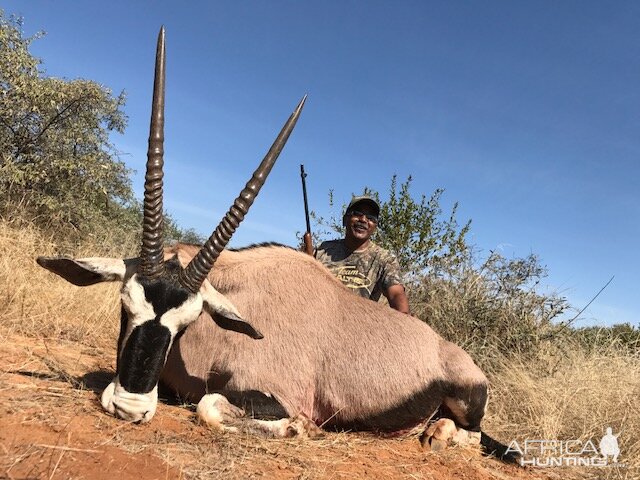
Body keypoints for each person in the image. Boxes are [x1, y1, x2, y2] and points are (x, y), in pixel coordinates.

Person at [315, 195, 410, 314]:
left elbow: (396, 293)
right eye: (357, 214)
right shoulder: (322, 249)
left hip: (360, 324)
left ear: (375, 226)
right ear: (345, 219)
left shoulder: (385, 259)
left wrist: (405, 318)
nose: (363, 220)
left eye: (370, 218)